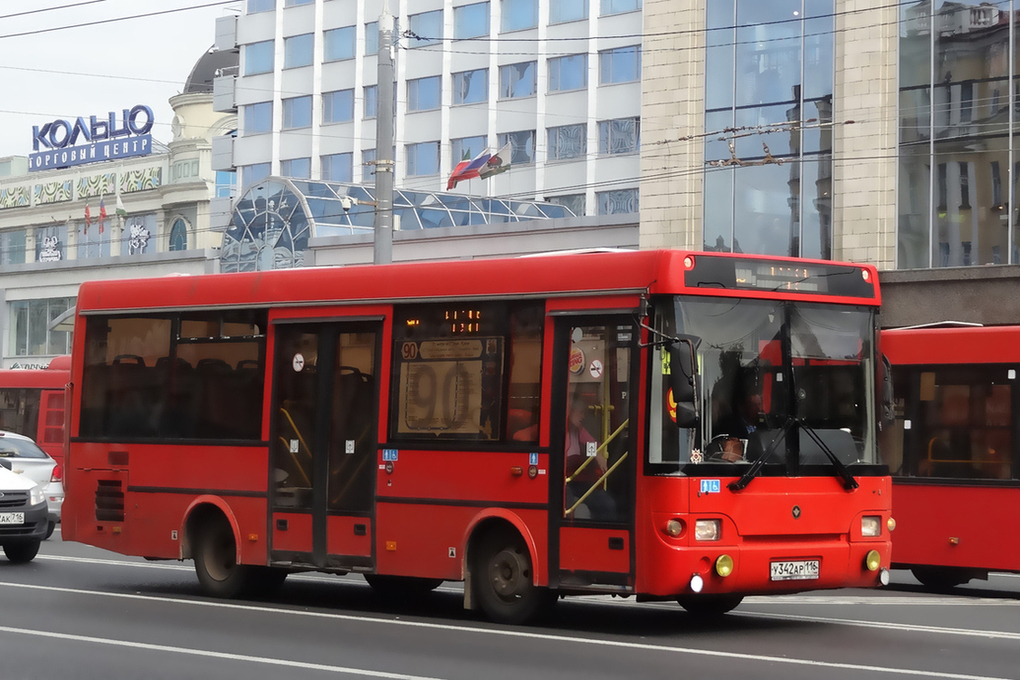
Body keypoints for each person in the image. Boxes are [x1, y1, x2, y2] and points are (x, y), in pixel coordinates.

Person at [564, 395, 616, 521]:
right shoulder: (559, 430)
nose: (583, 417)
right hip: (564, 483)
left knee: (607, 503)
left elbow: (592, 444)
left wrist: (598, 455)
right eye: (581, 413)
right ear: (570, 411)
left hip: (578, 480)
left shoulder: (579, 430)